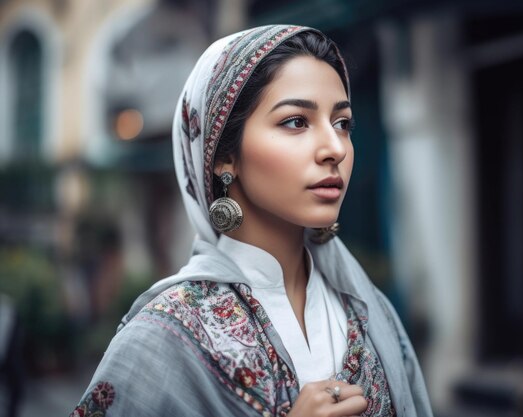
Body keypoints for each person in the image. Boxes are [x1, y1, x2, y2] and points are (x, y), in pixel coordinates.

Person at [71, 24, 432, 417]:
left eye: (342, 124)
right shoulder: (162, 338)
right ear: (225, 156)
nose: (334, 148)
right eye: (296, 121)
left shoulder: (371, 314)